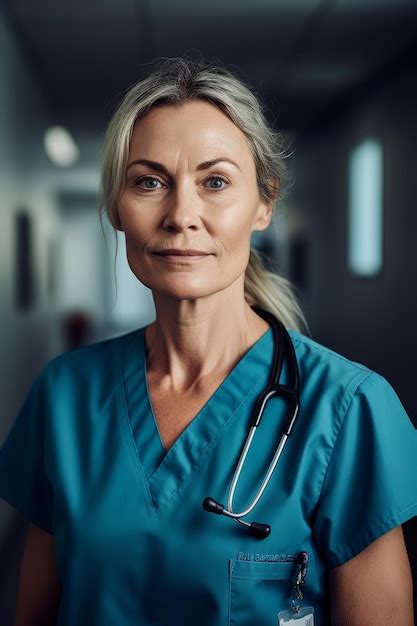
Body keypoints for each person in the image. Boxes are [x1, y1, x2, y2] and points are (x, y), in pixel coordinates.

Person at [0, 55, 416, 626]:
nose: (181, 215)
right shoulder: (64, 396)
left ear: (264, 203)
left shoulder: (348, 408)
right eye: (150, 182)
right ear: (118, 209)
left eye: (215, 182)